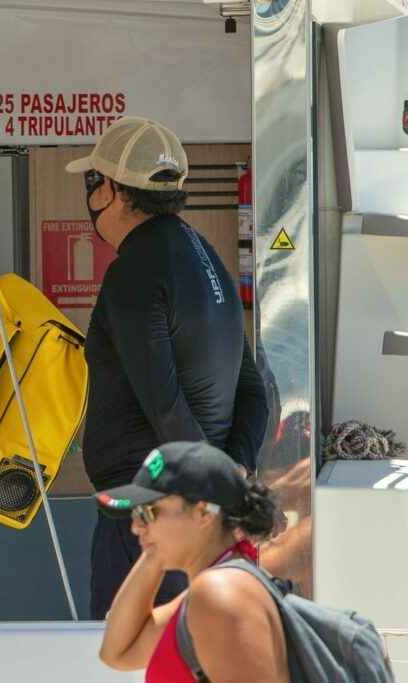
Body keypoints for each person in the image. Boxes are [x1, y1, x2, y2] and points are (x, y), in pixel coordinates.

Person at [64, 116, 269, 619]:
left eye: (92, 181)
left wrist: (210, 487)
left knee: (131, 652)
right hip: (193, 514)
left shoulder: (133, 270)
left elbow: (163, 401)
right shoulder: (204, 255)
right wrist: (232, 474)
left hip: (149, 519)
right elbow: (253, 389)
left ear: (109, 189)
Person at [97, 441, 287, 682]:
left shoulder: (219, 595)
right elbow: (118, 653)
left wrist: (156, 540)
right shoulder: (222, 585)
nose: (135, 527)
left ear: (203, 513)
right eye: (136, 513)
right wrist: (154, 549)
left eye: (149, 512)